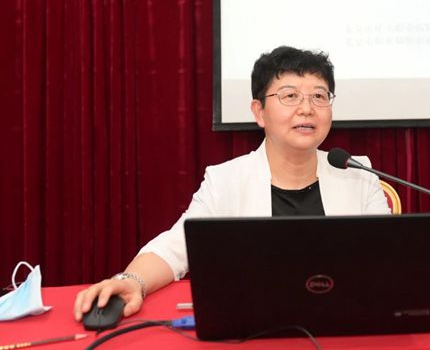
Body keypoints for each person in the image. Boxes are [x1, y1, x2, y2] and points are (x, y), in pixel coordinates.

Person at [73, 46, 390, 321]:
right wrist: (132, 281)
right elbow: (175, 247)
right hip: (256, 325)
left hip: (343, 323)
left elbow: (386, 259)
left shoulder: (358, 174)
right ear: (259, 112)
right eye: (290, 96)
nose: (306, 108)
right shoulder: (226, 180)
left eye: (319, 96)